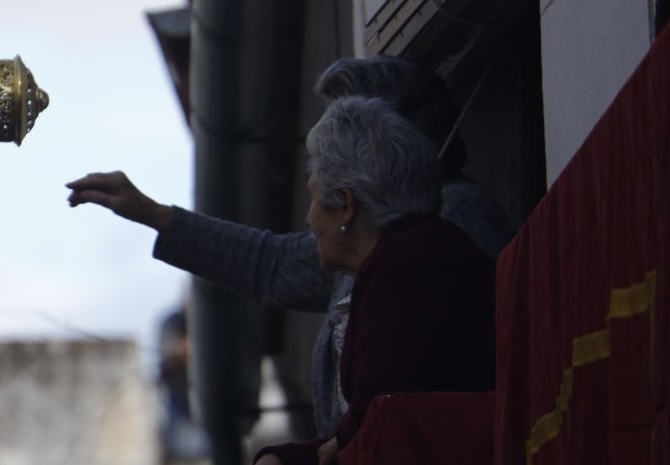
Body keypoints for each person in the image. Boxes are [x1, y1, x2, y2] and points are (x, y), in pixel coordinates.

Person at [65, 55, 512, 439]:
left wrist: (315, 464)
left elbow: (397, 416)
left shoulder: (451, 220)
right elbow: (273, 264)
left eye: (354, 128)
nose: (311, 214)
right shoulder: (373, 231)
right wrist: (153, 214)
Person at [234, 97, 496, 465]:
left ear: (347, 207)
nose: (309, 218)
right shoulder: (412, 258)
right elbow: (362, 426)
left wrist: (293, 460)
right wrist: (280, 461)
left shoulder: (408, 269)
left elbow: (374, 427)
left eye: (314, 199)